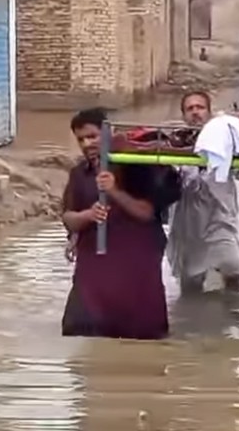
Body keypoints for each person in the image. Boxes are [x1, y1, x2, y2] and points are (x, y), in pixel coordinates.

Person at [61, 108, 181, 340]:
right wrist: (87, 216)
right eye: (81, 139)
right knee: (82, 332)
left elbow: (146, 212)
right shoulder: (79, 173)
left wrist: (113, 191)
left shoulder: (137, 166)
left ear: (109, 133)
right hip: (94, 267)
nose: (87, 144)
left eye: (92, 136)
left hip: (136, 266)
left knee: (142, 335)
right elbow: (68, 216)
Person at [167, 91, 239, 295]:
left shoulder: (227, 141)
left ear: (209, 112)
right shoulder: (172, 144)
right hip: (188, 224)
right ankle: (192, 322)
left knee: (231, 267)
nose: (195, 113)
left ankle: (231, 319)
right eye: (190, 109)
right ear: (183, 115)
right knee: (191, 287)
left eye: (200, 107)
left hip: (220, 219)